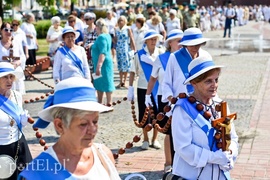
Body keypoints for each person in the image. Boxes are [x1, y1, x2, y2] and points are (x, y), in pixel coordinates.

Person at [18, 77, 121, 180]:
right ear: (60, 125)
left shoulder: (103, 155)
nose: (93, 130)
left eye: (95, 121)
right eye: (83, 124)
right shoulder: (38, 172)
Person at [168, 56, 238, 179]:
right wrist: (215, 158)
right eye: (208, 81)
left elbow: (233, 138)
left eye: (216, 80)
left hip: (220, 175)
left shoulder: (221, 105)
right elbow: (183, 147)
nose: (214, 85)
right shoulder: (182, 109)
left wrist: (230, 155)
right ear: (194, 83)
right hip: (191, 176)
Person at [145, 29, 183, 173]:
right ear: (170, 43)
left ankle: (182, 162)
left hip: (182, 99)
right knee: (169, 132)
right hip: (165, 100)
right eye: (178, 41)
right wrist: (147, 95)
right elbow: (153, 78)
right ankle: (168, 163)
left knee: (181, 131)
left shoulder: (185, 58)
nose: (181, 44)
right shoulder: (161, 59)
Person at [128, 30, 164, 150]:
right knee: (144, 113)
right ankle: (145, 139)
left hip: (157, 88)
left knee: (157, 113)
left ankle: (155, 139)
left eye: (155, 39)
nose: (154, 41)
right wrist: (130, 88)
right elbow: (133, 71)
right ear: (146, 41)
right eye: (151, 39)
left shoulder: (161, 53)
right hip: (143, 87)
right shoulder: (139, 54)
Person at [162, 27, 211, 104]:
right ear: (185, 44)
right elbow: (166, 83)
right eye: (191, 45)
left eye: (197, 44)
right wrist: (172, 100)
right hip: (180, 105)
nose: (195, 47)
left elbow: (211, 80)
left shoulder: (206, 56)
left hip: (203, 104)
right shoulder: (174, 57)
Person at [0, 62, 32, 179]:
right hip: (2, 148)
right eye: (5, 77)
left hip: (19, 145)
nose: (9, 81)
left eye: (11, 77)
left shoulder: (17, 95)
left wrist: (23, 120)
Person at [91, 18, 115, 106]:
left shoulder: (101, 37)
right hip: (105, 62)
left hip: (102, 63)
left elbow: (103, 52)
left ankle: (107, 103)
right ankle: (101, 102)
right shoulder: (107, 35)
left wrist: (99, 66)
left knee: (105, 82)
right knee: (102, 81)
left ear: (97, 27)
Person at [0, 22, 26, 94]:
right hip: (3, 75)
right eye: (6, 30)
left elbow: (22, 56)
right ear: (1, 30)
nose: (8, 32)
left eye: (11, 30)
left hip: (15, 73)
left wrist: (17, 63)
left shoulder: (16, 42)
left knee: (17, 96)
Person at [114, 16, 136, 88]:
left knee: (126, 65)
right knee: (120, 65)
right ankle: (121, 81)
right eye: (120, 20)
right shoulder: (116, 29)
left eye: (122, 20)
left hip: (125, 48)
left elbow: (131, 38)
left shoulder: (127, 29)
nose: (121, 22)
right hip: (118, 49)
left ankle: (125, 81)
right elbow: (115, 39)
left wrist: (134, 48)